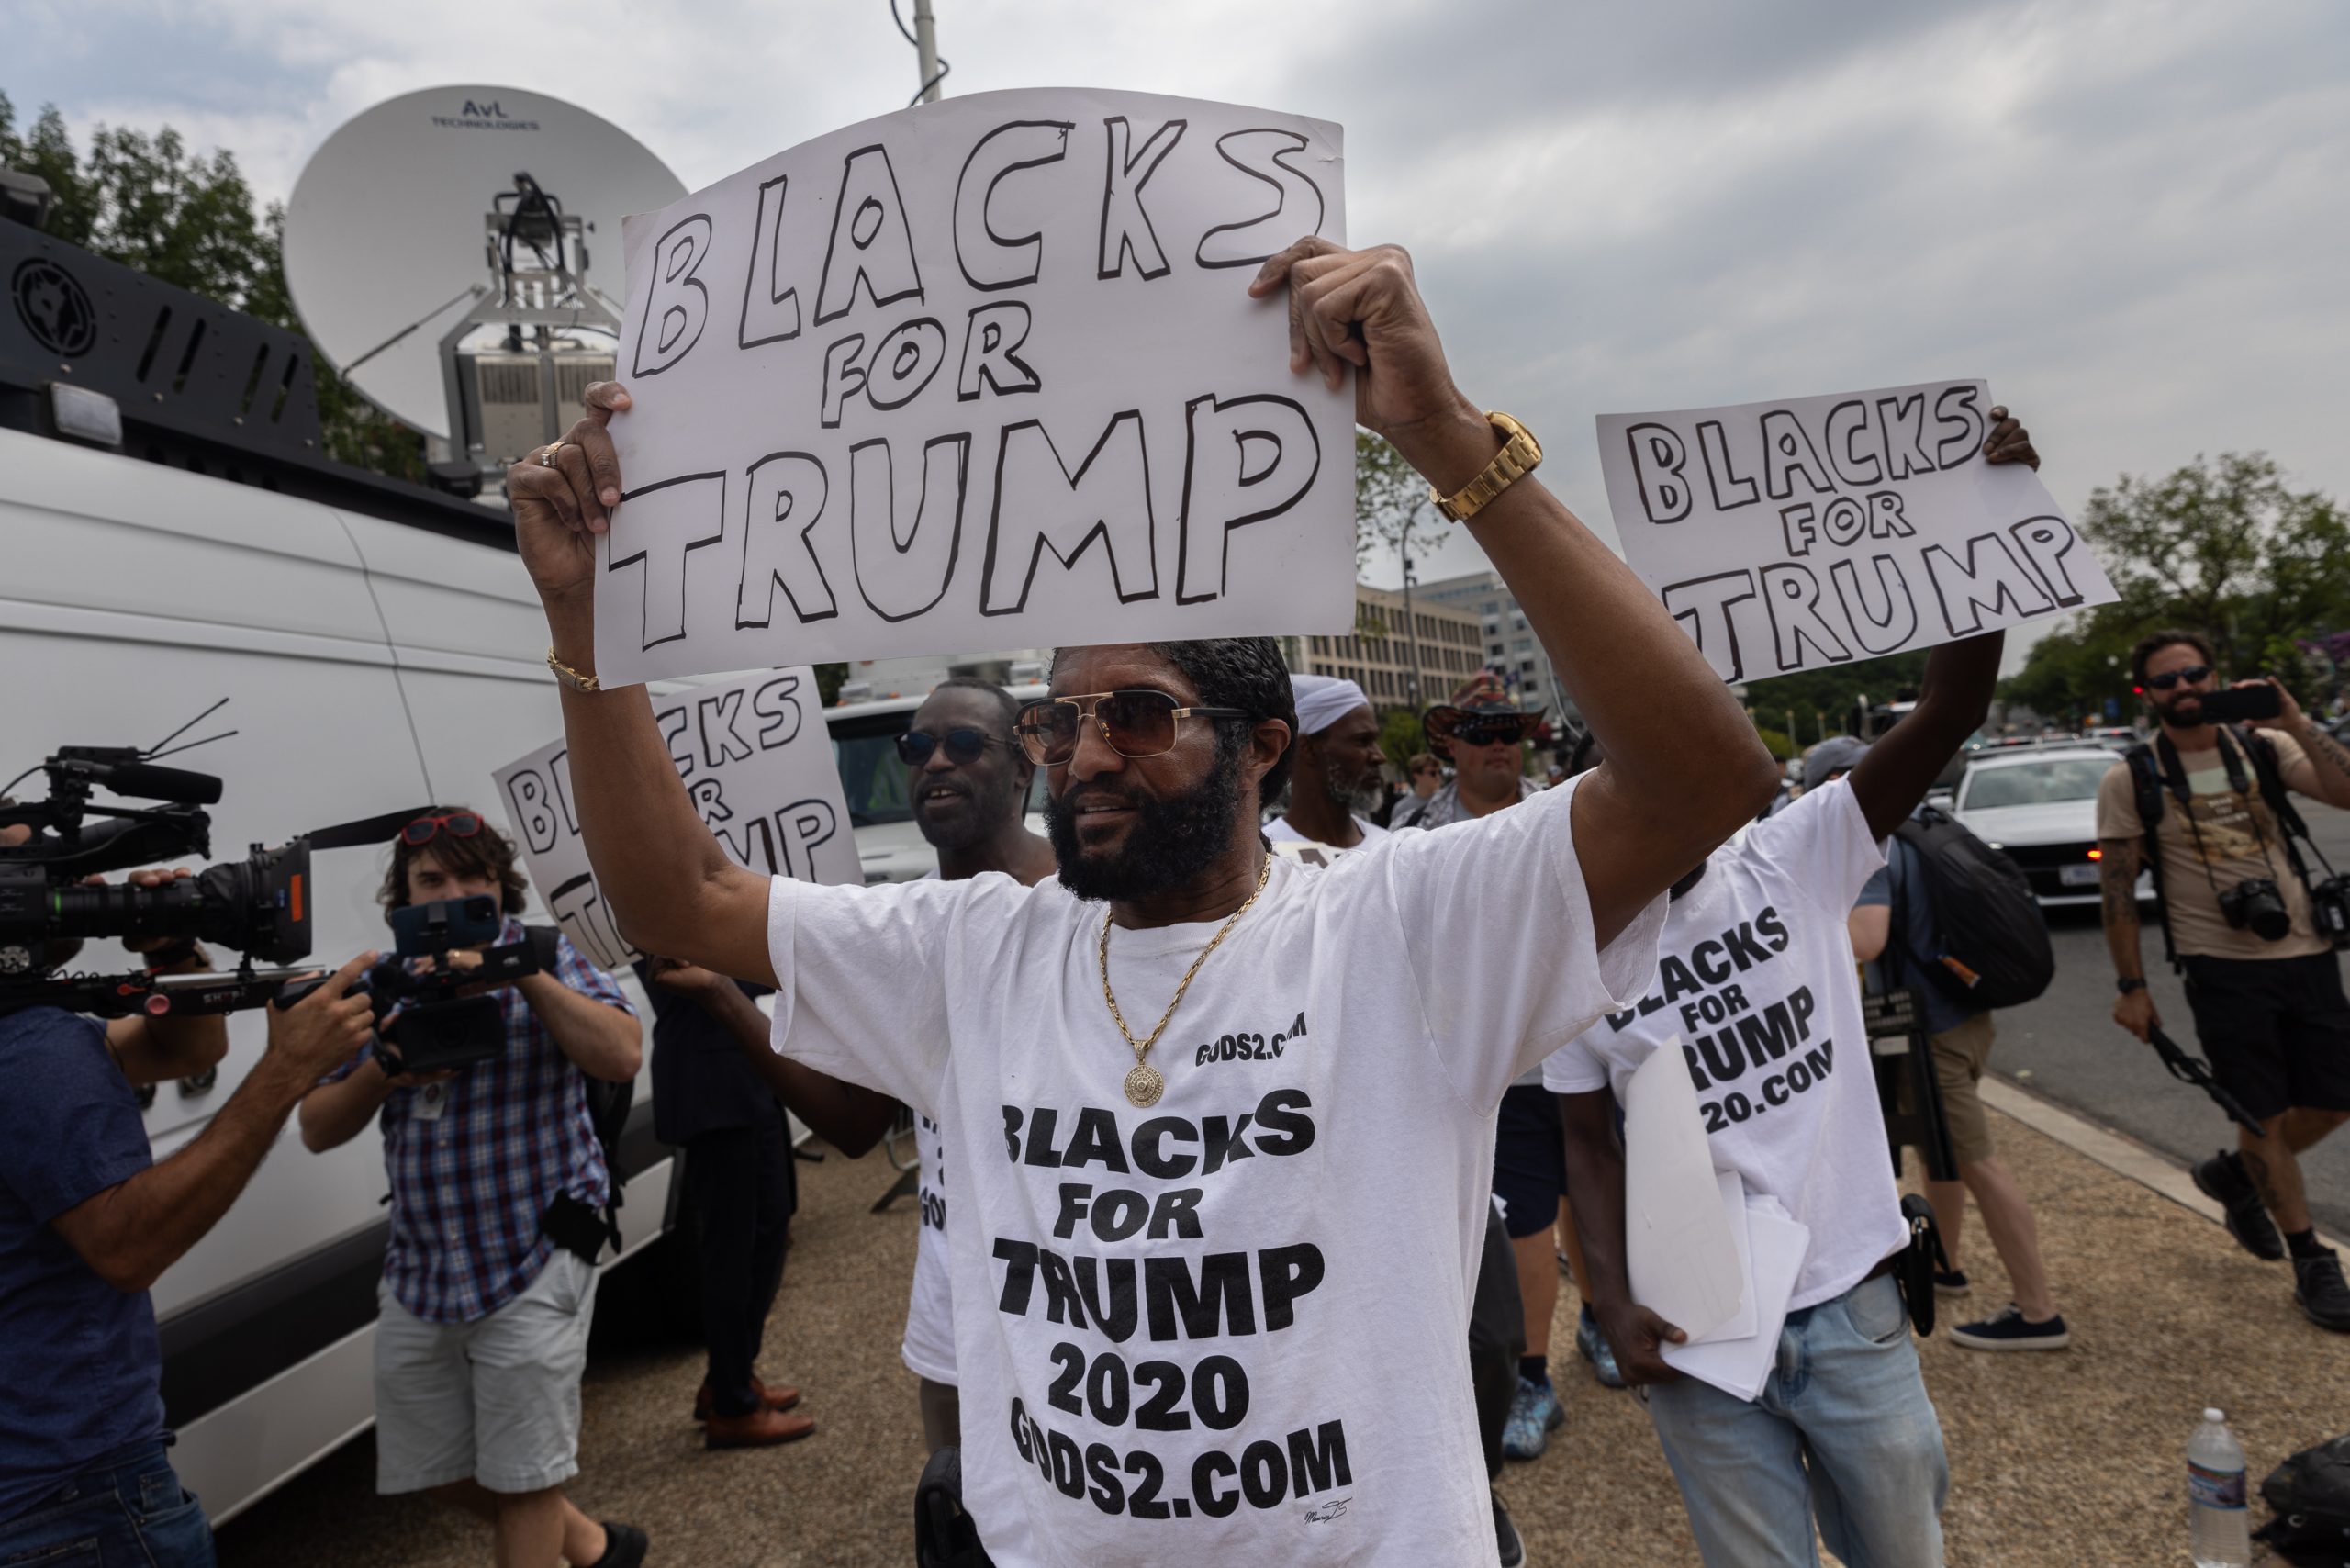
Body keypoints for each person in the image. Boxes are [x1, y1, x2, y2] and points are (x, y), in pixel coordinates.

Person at [505, 235, 1778, 1564]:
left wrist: (1447, 435)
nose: (1088, 751)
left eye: (1139, 714)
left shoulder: (1399, 923)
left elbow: (1701, 778)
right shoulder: (976, 952)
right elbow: (679, 896)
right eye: (1063, 721)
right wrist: (590, 627)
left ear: (1260, 747)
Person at [1550, 412, 2038, 1568]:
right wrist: (1612, 1302)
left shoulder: (1797, 852)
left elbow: (1947, 712)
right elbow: (1583, 1138)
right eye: (1633, 771)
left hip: (1849, 1299)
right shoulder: (1569, 933)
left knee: (1900, 1549)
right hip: (1696, 1325)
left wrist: (1986, 520)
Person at [0, 824, 378, 1567]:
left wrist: (170, 948)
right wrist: (287, 1070)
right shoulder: (30, 1047)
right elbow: (128, 1245)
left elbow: (189, 1050)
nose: (90, 889)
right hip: (72, 1501)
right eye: (53, 870)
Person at [297, 812, 649, 1568]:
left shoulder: (545, 954)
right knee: (434, 1472)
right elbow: (318, 1127)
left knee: (525, 1484)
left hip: (537, 1252)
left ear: (499, 887)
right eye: (433, 881)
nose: (453, 894)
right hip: (423, 1269)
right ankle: (594, 1548)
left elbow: (621, 1054)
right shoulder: (380, 986)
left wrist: (516, 970)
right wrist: (386, 1066)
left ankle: (577, 1545)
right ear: (404, 899)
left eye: (471, 879)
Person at [2097, 632, 2350, 1330]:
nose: (2183, 688)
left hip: (2306, 951)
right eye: (2165, 681)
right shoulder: (2132, 777)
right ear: (2148, 695)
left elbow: (2347, 790)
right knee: (2259, 1114)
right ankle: (2312, 1262)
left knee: (2333, 1103)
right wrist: (2131, 986)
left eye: (2193, 674)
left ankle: (2236, 1177)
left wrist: (2295, 720)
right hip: (2220, 969)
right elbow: (2116, 891)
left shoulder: (2265, 748)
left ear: (2215, 676)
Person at [1849, 762, 2070, 1351]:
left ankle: (2038, 1312)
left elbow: (1867, 938)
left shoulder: (1871, 841)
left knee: (1977, 1160)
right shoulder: (1924, 824)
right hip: (1964, 1010)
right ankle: (1944, 1265)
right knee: (1939, 1147)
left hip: (1927, 1030)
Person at [632, 954, 817, 1449]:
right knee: (730, 1253)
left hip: (748, 1072)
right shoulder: (651, 903)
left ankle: (728, 1377)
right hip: (711, 1086)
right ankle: (733, 1404)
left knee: (770, 1228)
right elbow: (723, 970)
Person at [1393, 675, 1540, 830]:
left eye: (1509, 735)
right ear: (1453, 747)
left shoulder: (1561, 813)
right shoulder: (1412, 831)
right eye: (1482, 736)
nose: (1498, 745)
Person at [1269, 676, 1389, 851]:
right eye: (1362, 741)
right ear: (1308, 748)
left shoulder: (1389, 848)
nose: (1380, 756)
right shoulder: (1265, 858)